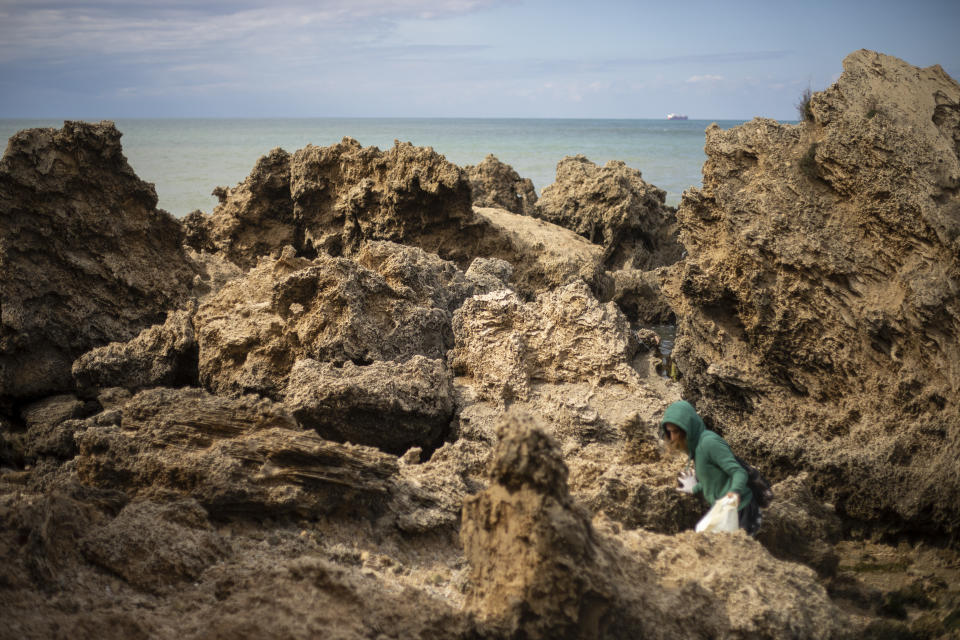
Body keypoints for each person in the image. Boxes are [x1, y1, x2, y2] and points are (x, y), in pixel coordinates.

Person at [660, 400, 761, 535]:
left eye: (676, 432)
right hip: (722, 508)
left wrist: (734, 492)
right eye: (669, 432)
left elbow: (739, 472)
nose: (672, 437)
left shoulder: (709, 443)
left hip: (742, 509)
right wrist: (693, 487)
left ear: (688, 428)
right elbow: (714, 481)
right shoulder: (696, 450)